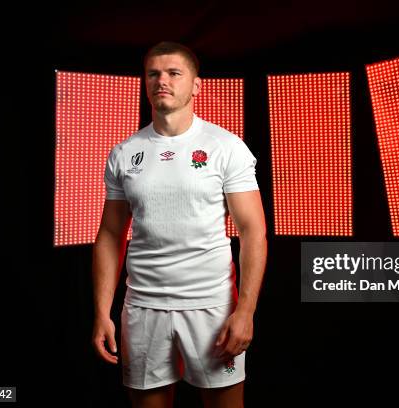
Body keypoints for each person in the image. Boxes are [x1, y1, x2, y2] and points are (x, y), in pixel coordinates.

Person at [91, 41, 267, 408]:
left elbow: (253, 231)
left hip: (212, 306)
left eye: (174, 73)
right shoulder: (125, 152)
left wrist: (246, 311)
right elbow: (109, 235)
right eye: (153, 73)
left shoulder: (225, 147)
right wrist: (102, 312)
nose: (162, 81)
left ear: (196, 85)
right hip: (143, 306)